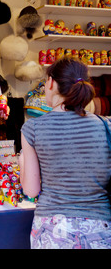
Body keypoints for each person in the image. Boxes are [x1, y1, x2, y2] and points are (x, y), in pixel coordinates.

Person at [19, 57, 111, 249]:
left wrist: (22, 162)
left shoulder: (33, 128)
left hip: (53, 229)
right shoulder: (105, 126)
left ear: (51, 82)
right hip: (100, 228)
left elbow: (31, 190)